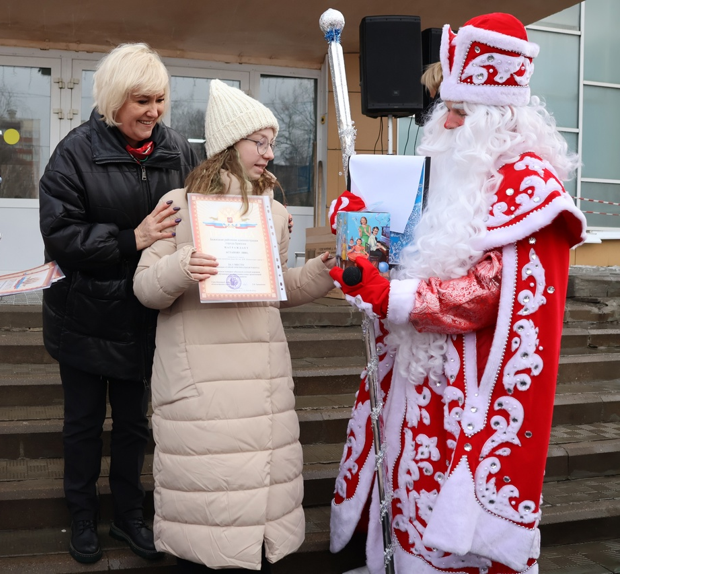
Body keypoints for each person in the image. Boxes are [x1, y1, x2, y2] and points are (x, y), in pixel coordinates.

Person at [328, 13, 587, 574]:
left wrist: (389, 296)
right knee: (404, 494)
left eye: (458, 110)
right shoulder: (451, 171)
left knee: (451, 532)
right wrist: (360, 235)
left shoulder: (529, 186)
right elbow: (404, 250)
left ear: (496, 116)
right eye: (446, 107)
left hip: (469, 398)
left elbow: (487, 294)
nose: (444, 121)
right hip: (419, 383)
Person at [133, 80, 335, 572]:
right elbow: (144, 287)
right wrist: (184, 265)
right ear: (228, 145)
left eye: (272, 143)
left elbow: (274, 290)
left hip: (262, 384)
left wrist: (322, 272)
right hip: (204, 387)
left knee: (257, 513)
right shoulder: (179, 205)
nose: (269, 153)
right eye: (258, 142)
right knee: (209, 510)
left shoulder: (276, 212)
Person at [38, 42, 199, 564]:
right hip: (84, 316)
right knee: (83, 425)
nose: (153, 111)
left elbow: (205, 208)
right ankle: (82, 517)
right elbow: (61, 234)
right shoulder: (74, 152)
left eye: (159, 99)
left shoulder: (178, 150)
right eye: (141, 101)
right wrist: (134, 238)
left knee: (134, 426)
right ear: (113, 100)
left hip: (147, 317)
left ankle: (130, 517)